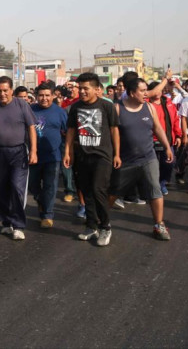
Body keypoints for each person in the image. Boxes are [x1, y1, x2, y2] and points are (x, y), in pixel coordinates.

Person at [110, 78, 173, 241]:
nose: (147, 94)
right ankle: (100, 221)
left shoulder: (149, 107)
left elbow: (157, 128)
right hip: (125, 161)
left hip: (148, 158)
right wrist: (116, 154)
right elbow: (114, 134)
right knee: (112, 193)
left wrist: (167, 146)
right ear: (131, 93)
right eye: (142, 91)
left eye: (147, 90)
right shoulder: (117, 108)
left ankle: (159, 225)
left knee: (155, 190)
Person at [64, 73, 120, 247]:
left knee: (98, 190)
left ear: (96, 89)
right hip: (82, 156)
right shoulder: (75, 108)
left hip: (102, 156)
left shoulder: (106, 106)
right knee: (86, 192)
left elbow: (114, 130)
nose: (81, 91)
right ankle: (91, 225)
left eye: (85, 88)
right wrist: (68, 152)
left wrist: (117, 154)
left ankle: (105, 226)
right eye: (79, 88)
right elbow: (71, 131)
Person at [0, 76, 38, 241]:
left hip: (18, 152)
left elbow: (31, 128)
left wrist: (34, 151)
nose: (2, 94)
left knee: (17, 187)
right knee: (0, 189)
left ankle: (18, 225)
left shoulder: (22, 105)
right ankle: (6, 222)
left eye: (5, 91)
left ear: (11, 91)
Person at [29, 82, 67, 229]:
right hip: (33, 156)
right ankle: (41, 201)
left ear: (53, 96)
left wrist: (66, 153)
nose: (44, 98)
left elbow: (66, 133)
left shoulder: (60, 112)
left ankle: (47, 215)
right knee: (33, 185)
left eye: (47, 95)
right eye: (41, 95)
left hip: (53, 156)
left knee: (50, 186)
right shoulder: (30, 110)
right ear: (37, 96)